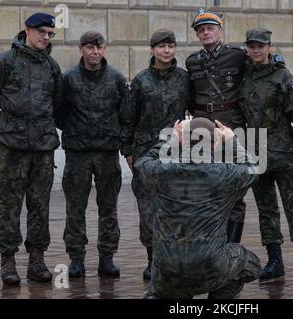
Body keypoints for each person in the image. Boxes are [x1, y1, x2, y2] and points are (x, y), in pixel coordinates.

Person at [137, 118, 261, 298]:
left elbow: (142, 162)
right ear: (215, 144)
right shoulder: (225, 173)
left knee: (168, 283)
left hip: (167, 270)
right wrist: (232, 140)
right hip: (211, 267)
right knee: (250, 263)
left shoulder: (161, 171)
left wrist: (170, 140)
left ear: (184, 141)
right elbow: (253, 168)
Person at [0, 13, 63, 285]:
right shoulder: (4, 62)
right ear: (27, 31)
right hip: (13, 148)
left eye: (50, 34)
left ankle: (37, 260)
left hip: (43, 148)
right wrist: (5, 126)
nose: (46, 37)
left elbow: (57, 102)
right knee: (9, 206)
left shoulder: (51, 66)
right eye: (42, 32)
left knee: (40, 206)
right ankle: (7, 262)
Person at [240, 28, 293, 282]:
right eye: (252, 46)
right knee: (266, 210)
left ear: (269, 46)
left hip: (283, 152)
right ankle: (275, 261)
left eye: (261, 45)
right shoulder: (244, 75)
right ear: (247, 48)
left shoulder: (282, 76)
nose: (256, 50)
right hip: (255, 151)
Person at [56, 31, 130, 278]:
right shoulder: (69, 79)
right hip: (77, 152)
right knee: (75, 208)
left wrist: (115, 135)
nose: (95, 52)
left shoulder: (116, 78)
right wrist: (75, 131)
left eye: (99, 47)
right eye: (90, 48)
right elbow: (59, 111)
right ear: (81, 49)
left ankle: (107, 258)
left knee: (108, 207)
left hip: (107, 152)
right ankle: (76, 258)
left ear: (105, 49)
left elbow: (125, 112)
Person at [121, 29, 189, 280]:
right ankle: (152, 261)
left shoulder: (184, 79)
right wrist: (127, 151)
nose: (167, 51)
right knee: (147, 208)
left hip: (176, 152)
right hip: (145, 154)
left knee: (175, 207)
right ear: (152, 50)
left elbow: (194, 112)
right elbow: (128, 118)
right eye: (161, 46)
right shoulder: (140, 81)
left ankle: (173, 259)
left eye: (170, 46)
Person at [185, 9, 248, 243]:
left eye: (210, 28)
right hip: (202, 127)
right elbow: (191, 97)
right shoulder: (192, 61)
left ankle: (231, 247)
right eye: (201, 30)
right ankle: (209, 242)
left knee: (234, 187)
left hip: (231, 126)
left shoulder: (238, 56)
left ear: (220, 31)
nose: (206, 32)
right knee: (204, 185)